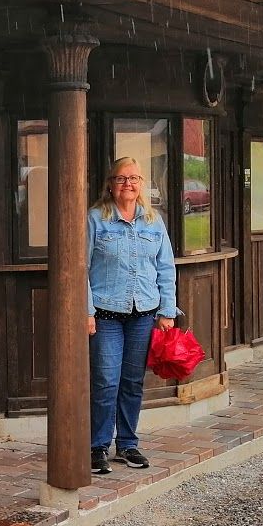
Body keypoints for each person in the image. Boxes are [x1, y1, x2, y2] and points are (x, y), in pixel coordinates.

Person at [87, 156, 178, 474]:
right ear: (110, 184)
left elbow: (166, 267)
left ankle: (127, 444)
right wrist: (86, 311)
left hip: (144, 314)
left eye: (135, 178)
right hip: (106, 315)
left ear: (142, 184)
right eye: (122, 178)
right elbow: (80, 268)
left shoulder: (154, 221)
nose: (128, 184)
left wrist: (167, 310)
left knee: (132, 382)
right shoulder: (95, 219)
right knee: (105, 382)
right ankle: (97, 446)